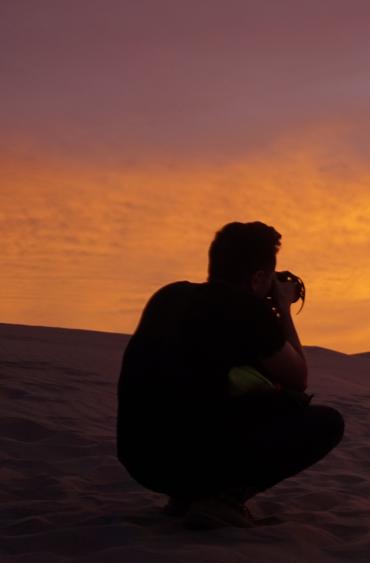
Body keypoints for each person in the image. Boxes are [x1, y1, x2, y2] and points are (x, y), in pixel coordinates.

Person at [116, 222, 344, 528]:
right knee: (326, 422)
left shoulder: (169, 296)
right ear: (260, 277)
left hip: (141, 459)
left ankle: (187, 497)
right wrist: (283, 309)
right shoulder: (245, 310)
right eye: (268, 279)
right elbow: (298, 376)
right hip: (190, 457)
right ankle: (221, 500)